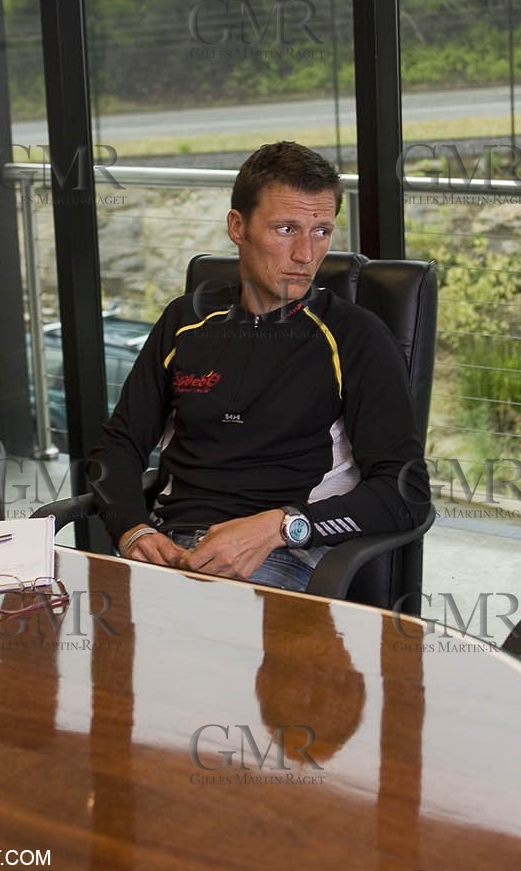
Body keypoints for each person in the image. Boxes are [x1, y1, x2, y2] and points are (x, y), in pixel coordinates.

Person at [88, 141, 427, 590]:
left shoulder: (355, 336)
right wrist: (133, 529)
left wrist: (280, 527)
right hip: (170, 550)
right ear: (237, 226)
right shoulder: (185, 321)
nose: (307, 255)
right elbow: (119, 445)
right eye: (286, 229)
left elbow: (406, 492)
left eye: (322, 231)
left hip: (281, 559)